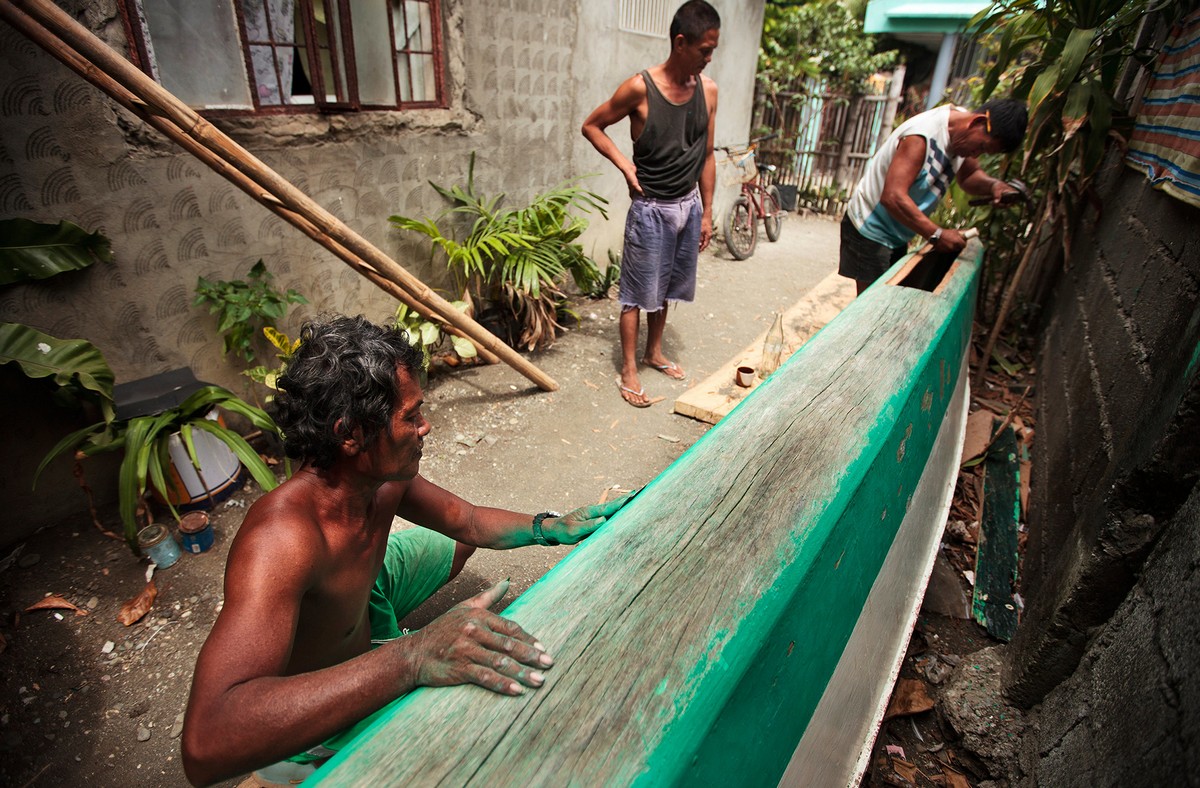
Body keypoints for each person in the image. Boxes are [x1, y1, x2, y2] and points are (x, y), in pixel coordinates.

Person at [180, 315, 635, 786]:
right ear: (349, 434)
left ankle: (384, 632)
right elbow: (205, 743)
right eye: (411, 416)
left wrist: (551, 527)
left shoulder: (380, 479)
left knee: (457, 540)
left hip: (365, 598)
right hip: (321, 711)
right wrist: (414, 655)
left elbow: (469, 520)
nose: (426, 426)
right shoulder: (282, 541)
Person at [582, 0, 720, 408]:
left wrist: (708, 211)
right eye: (704, 50)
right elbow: (592, 125)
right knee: (636, 292)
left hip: (688, 205)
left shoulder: (708, 91)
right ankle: (628, 368)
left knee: (668, 286)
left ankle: (654, 351)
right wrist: (626, 167)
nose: (709, 58)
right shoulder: (639, 88)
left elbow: (708, 154)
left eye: (713, 49)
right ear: (681, 42)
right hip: (651, 209)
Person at [839, 99, 1029, 295]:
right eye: (980, 147)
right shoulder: (921, 137)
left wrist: (994, 186)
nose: (976, 154)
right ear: (976, 122)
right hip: (869, 226)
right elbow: (893, 196)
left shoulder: (963, 133)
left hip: (897, 231)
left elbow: (970, 177)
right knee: (871, 305)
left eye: (984, 152)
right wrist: (937, 234)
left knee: (889, 297)